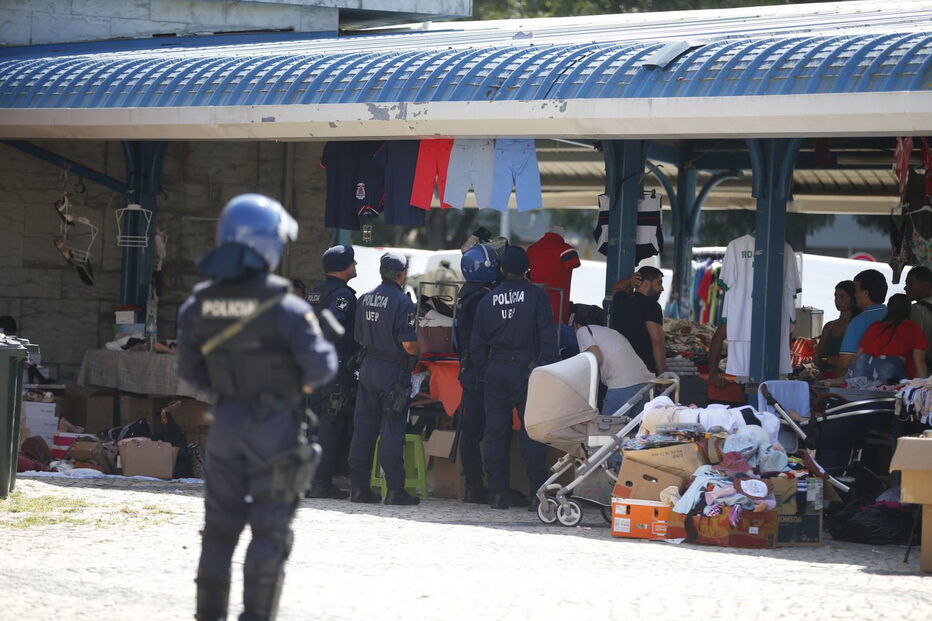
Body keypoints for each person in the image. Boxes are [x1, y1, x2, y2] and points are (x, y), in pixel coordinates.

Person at [177, 193, 337, 621]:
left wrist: (229, 392)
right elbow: (322, 366)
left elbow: (191, 374)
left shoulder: (198, 304)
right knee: (269, 533)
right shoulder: (287, 306)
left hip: (225, 425)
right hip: (276, 428)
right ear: (268, 243)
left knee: (217, 534)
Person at [469, 246, 558, 510]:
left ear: (501, 269)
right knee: (532, 432)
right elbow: (547, 338)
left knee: (495, 432)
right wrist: (545, 369)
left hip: (496, 369)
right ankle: (536, 494)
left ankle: (497, 493)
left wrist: (484, 370)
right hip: (527, 370)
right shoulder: (537, 297)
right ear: (527, 269)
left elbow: (476, 342)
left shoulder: (488, 299)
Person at [348, 251, 421, 506]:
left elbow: (358, 337)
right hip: (392, 369)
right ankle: (395, 490)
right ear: (401, 275)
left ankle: (358, 489)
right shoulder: (403, 302)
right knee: (392, 429)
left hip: (368, 367)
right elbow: (409, 344)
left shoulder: (365, 298)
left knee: (363, 429)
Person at [305, 244, 359, 500]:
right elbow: (332, 329)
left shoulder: (314, 292)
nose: (355, 266)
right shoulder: (342, 295)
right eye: (353, 263)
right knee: (329, 425)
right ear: (342, 268)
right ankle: (321, 483)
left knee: (313, 424)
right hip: (333, 368)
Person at [455, 243, 499, 504]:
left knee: (470, 430)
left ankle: (473, 484)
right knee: (493, 429)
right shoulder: (484, 298)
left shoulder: (466, 296)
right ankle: (492, 487)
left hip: (468, 369)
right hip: (483, 370)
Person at [572, 305, 655, 416]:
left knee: (607, 430)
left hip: (622, 386)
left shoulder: (583, 330)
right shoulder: (613, 332)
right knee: (633, 431)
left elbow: (596, 357)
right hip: (645, 383)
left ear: (576, 324)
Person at [839, 294, 928, 386]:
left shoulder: (875, 326)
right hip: (894, 384)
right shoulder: (913, 328)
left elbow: (859, 354)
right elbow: (920, 360)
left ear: (888, 309)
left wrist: (848, 376)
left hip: (865, 382)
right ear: (909, 310)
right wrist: (924, 387)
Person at [611, 265, 667, 374]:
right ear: (646, 283)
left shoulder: (622, 299)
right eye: (659, 283)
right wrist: (662, 372)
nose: (662, 288)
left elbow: (616, 288)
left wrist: (630, 280)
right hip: (643, 369)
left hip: (619, 366)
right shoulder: (652, 306)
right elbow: (657, 341)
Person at [836, 269, 888, 378]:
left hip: (861, 387)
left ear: (866, 294)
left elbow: (844, 365)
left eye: (856, 290)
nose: (854, 295)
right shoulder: (894, 316)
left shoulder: (858, 322)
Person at [814, 280, 860, 377]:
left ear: (853, 299)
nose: (837, 300)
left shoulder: (857, 325)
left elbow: (853, 360)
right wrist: (829, 359)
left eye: (842, 297)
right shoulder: (829, 326)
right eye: (836, 296)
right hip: (824, 377)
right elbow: (817, 358)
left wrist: (826, 359)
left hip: (845, 378)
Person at [905, 265, 932, 368]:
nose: (906, 288)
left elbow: (914, 345)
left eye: (910, 284)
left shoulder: (917, 309)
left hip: (926, 371)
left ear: (925, 285)